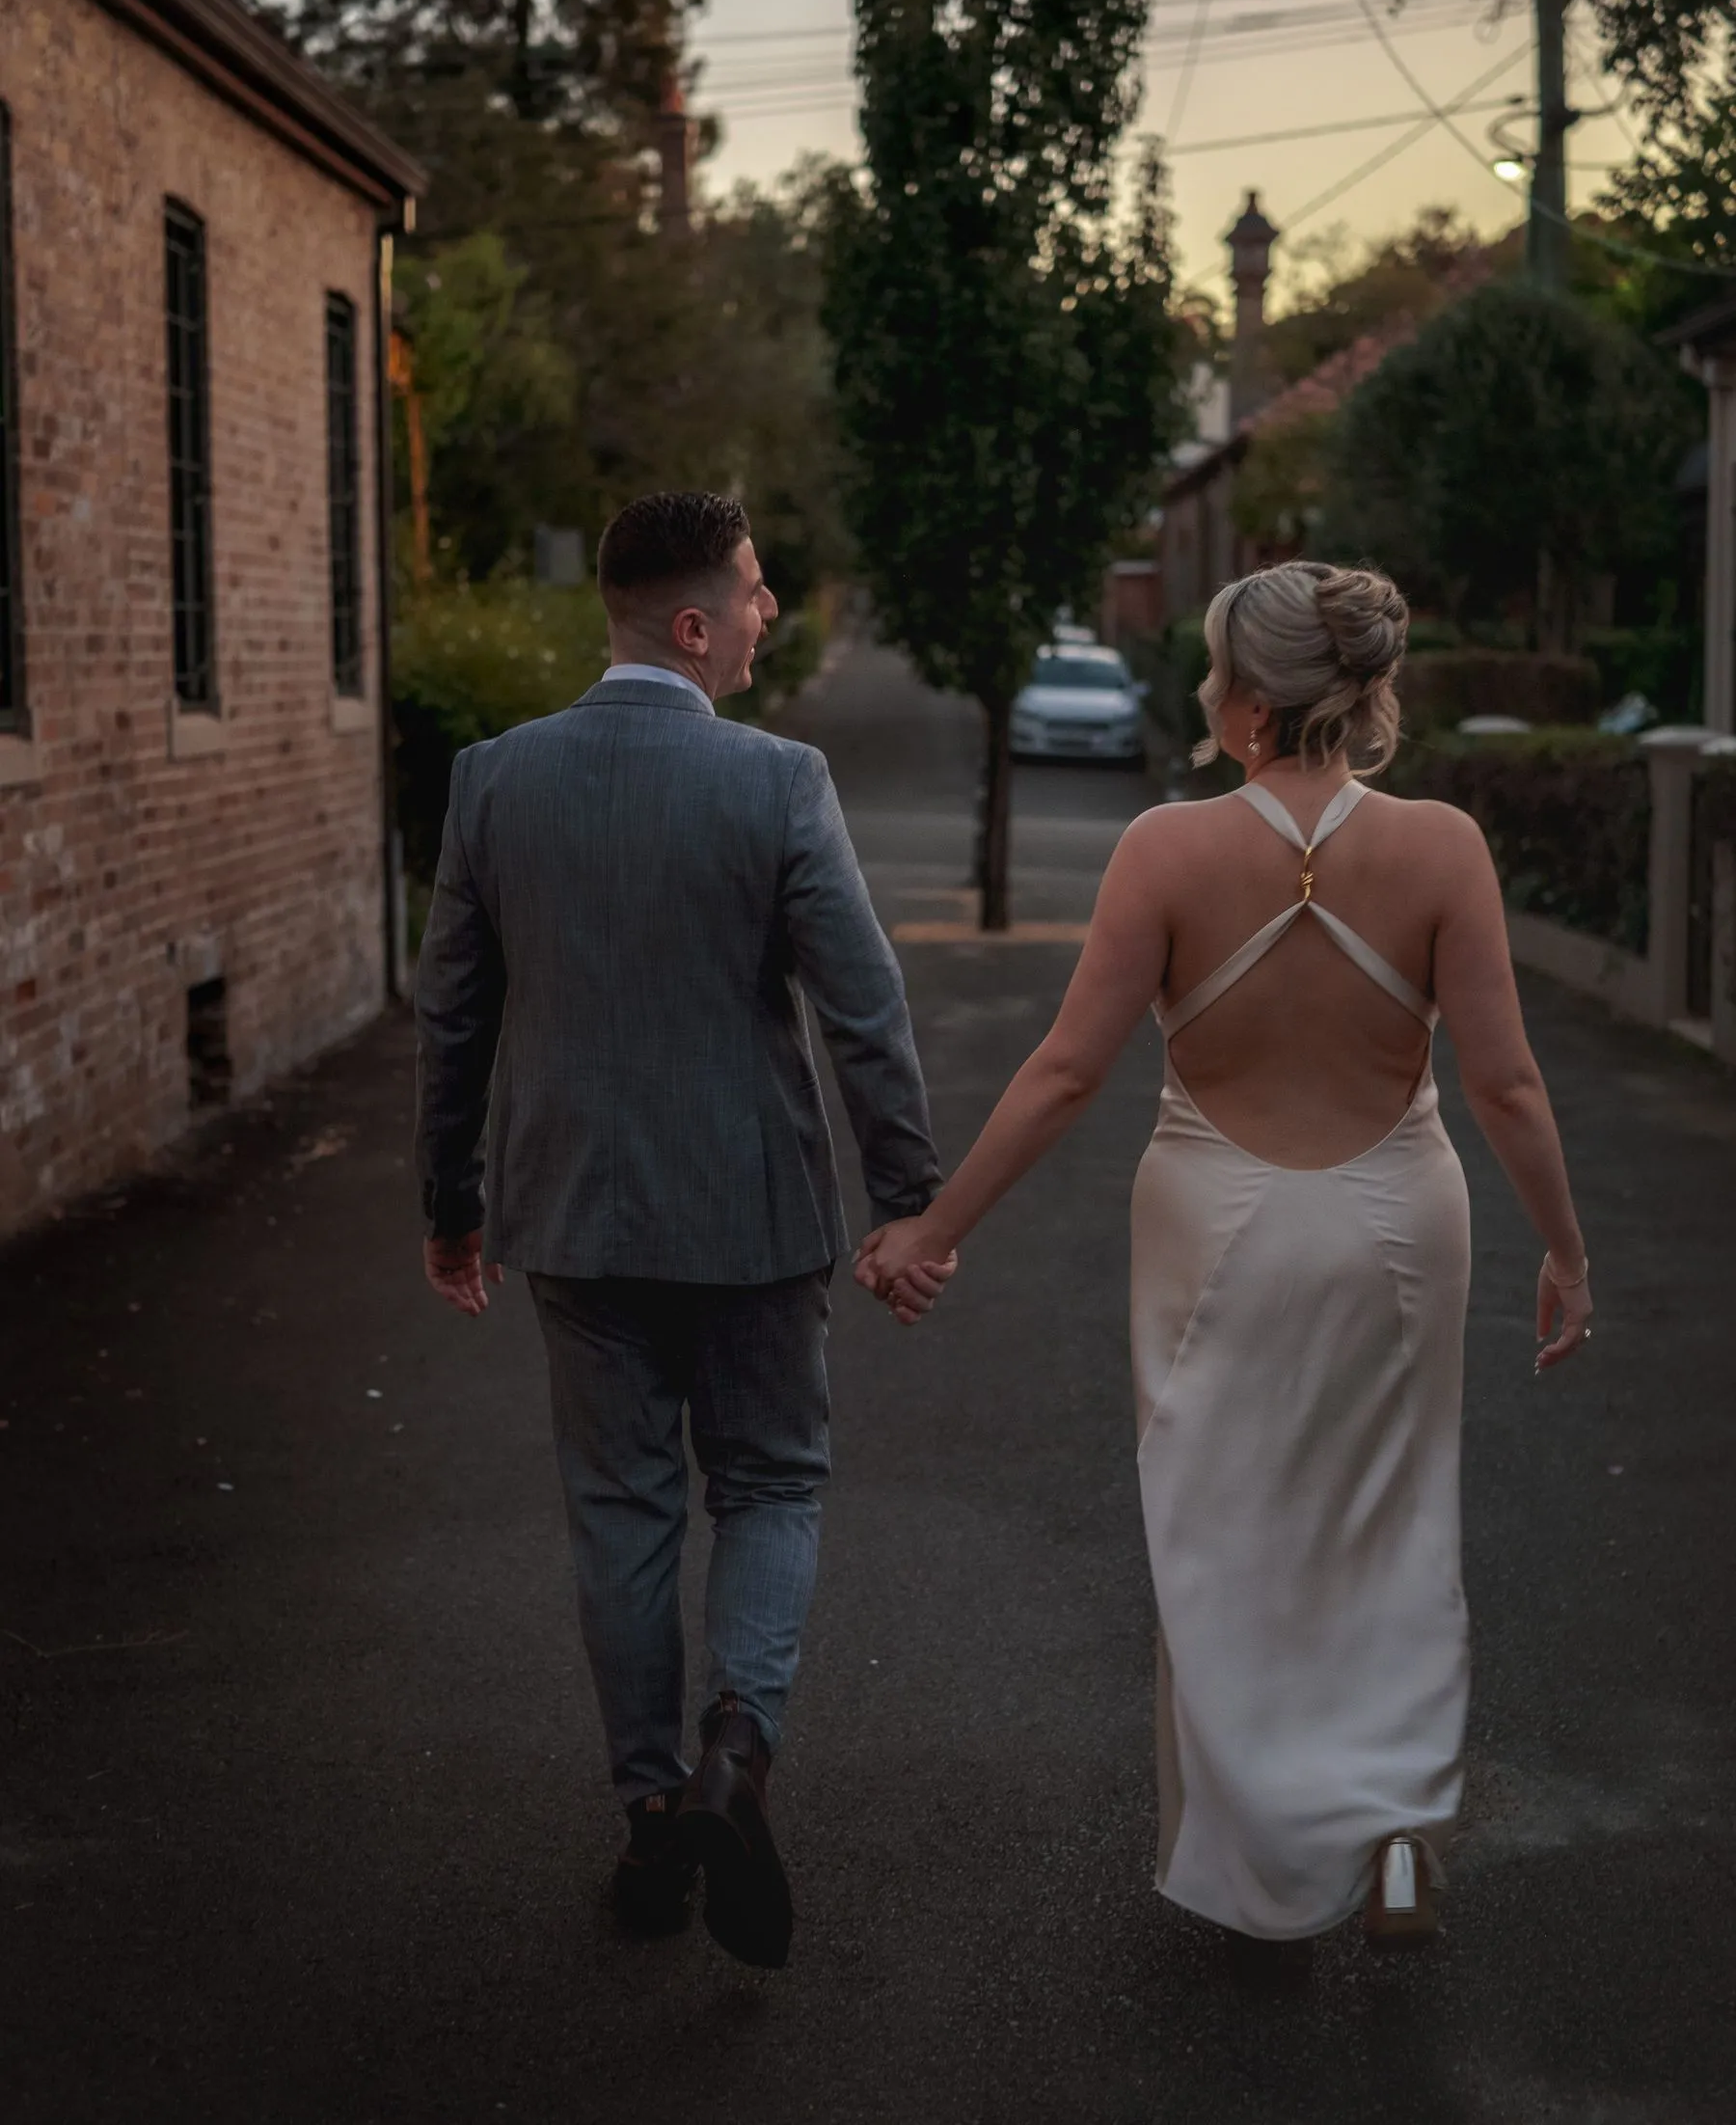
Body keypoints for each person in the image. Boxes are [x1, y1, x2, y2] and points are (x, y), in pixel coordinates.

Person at [857, 560, 1592, 1949]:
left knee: (1223, 1529)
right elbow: (1508, 1087)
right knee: (1392, 1517)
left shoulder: (1164, 849)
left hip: (1213, 1226)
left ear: (1248, 695)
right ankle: (1388, 1833)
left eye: (1212, 669)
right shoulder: (1444, 846)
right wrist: (1566, 1252)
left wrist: (931, 1234)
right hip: (1397, 1221)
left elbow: (1069, 1070)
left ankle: (1261, 1855)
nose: (1205, 690)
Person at [415, 490, 947, 1971]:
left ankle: (655, 1821)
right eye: (759, 590)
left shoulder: (495, 783)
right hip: (753, 1211)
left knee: (622, 1508)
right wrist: (909, 1195)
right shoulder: (778, 783)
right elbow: (864, 1008)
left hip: (570, 1215)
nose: (773, 612)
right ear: (695, 622)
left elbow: (451, 1017)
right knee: (771, 1485)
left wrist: (450, 1206)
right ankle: (739, 1751)